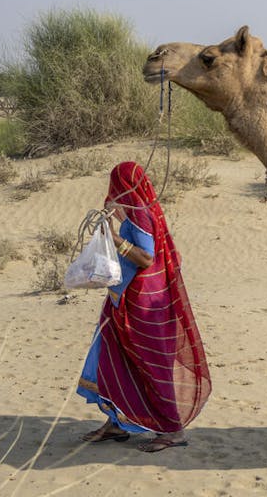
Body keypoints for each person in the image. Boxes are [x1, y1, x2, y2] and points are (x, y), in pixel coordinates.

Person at [77, 161, 210, 451]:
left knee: (152, 365)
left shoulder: (142, 215)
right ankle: (116, 421)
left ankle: (173, 430)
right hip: (122, 300)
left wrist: (114, 237)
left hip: (144, 305)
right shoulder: (136, 212)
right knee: (111, 357)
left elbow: (146, 258)